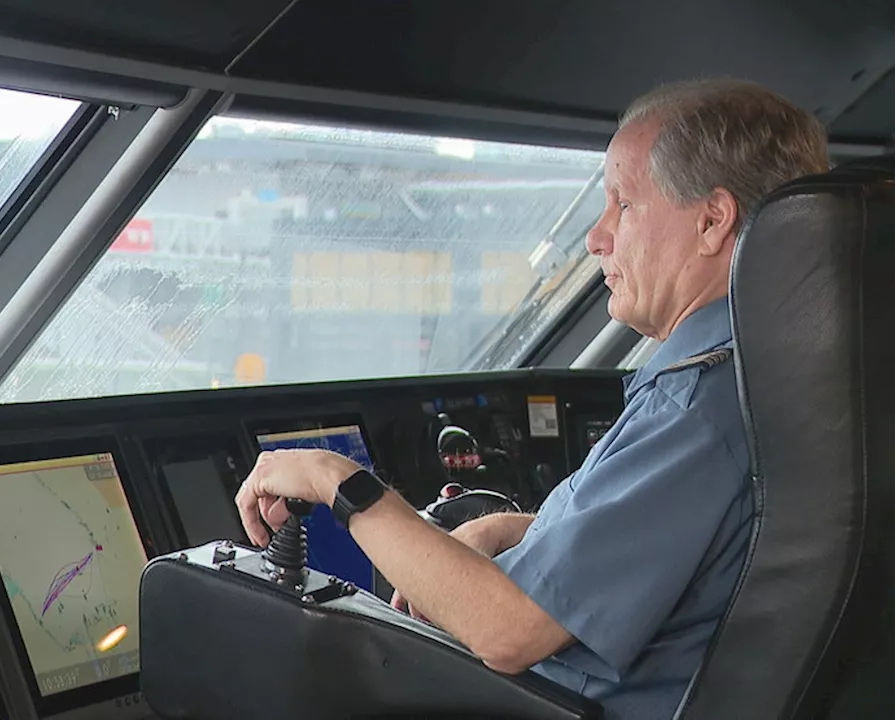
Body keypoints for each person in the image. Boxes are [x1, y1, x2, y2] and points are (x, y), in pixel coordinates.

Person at [234, 78, 831, 720]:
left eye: (623, 204)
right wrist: (513, 530)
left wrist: (337, 480)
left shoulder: (695, 410)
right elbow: (700, 559)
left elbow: (509, 633)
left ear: (712, 221)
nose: (597, 237)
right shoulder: (782, 380)